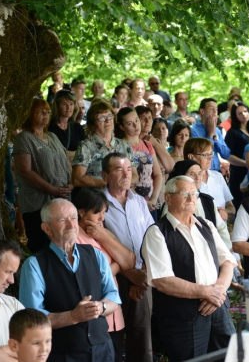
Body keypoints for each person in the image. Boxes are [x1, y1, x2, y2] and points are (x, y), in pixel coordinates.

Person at [142, 176, 236, 362]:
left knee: (231, 357)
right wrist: (206, 292)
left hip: (218, 309)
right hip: (183, 318)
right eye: (185, 194)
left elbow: (227, 262)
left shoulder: (206, 225)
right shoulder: (157, 232)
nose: (191, 198)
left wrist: (217, 293)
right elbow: (163, 281)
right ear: (168, 198)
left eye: (194, 194)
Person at [19, 198, 121, 362]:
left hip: (102, 349)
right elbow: (31, 320)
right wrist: (73, 317)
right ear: (46, 228)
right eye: (62, 220)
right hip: (63, 354)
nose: (71, 225)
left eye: (73, 218)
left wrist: (100, 307)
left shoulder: (95, 254)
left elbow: (113, 296)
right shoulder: (34, 265)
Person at [100, 153, 155, 362]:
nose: (126, 173)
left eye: (129, 169)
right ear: (105, 175)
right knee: (111, 334)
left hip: (143, 275)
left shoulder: (139, 201)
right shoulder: (99, 203)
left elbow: (152, 238)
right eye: (118, 169)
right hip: (112, 276)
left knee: (141, 335)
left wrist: (141, 275)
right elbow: (100, 247)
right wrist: (129, 274)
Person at [74, 188, 136, 362]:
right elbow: (92, 276)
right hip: (94, 316)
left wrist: (103, 236)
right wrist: (117, 265)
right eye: (97, 213)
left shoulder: (101, 232)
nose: (102, 219)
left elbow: (130, 260)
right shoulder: (74, 238)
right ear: (81, 212)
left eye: (104, 213)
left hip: (115, 313)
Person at [14, 98, 72, 253]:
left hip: (60, 200)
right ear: (30, 114)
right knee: (41, 247)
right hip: (37, 204)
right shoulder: (24, 138)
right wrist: (51, 189)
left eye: (48, 112)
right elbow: (24, 171)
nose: (45, 115)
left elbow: (65, 160)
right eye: (41, 112)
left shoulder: (52, 136)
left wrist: (71, 183)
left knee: (63, 244)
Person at [161, 160, 232, 249]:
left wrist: (225, 251)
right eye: (192, 173)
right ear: (181, 176)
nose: (197, 177)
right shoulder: (172, 203)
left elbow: (221, 228)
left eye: (199, 173)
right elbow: (168, 233)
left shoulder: (208, 201)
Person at [72, 99, 137, 190]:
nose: (108, 120)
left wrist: (120, 184)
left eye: (110, 116)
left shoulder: (125, 145)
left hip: (121, 198)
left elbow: (135, 177)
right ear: (93, 124)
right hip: (97, 200)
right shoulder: (86, 146)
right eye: (102, 118)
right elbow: (77, 179)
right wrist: (108, 183)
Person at [116, 107, 162, 220]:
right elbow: (123, 181)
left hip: (151, 203)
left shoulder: (147, 144)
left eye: (137, 120)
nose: (136, 126)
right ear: (122, 127)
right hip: (131, 202)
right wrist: (141, 202)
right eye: (130, 123)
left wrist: (153, 199)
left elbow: (157, 174)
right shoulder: (119, 146)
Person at [184, 138, 235, 220]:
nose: (210, 158)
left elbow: (232, 209)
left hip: (220, 230)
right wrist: (214, 211)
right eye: (206, 155)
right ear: (191, 157)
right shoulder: (185, 181)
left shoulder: (218, 176)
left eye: (211, 154)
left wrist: (223, 211)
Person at [0, 241, 24, 362]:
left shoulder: (13, 304)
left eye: (13, 274)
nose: (11, 281)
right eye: (8, 272)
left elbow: (33, 347)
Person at [225, 101, 249, 209]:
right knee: (240, 205)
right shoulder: (232, 132)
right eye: (239, 113)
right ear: (235, 116)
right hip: (238, 175)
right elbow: (228, 155)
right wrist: (246, 163)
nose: (243, 114)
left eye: (245, 111)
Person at [190, 98, 230, 171]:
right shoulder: (192, 130)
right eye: (211, 108)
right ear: (202, 111)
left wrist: (216, 139)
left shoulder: (217, 130)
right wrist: (210, 134)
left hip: (217, 171)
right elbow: (200, 154)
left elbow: (226, 154)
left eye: (216, 109)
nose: (215, 112)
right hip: (201, 171)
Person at [48, 89, 86, 163]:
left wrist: (68, 154)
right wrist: (77, 154)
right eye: (64, 104)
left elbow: (85, 151)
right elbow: (54, 153)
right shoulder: (50, 127)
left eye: (71, 104)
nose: (68, 108)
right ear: (57, 106)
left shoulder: (77, 127)